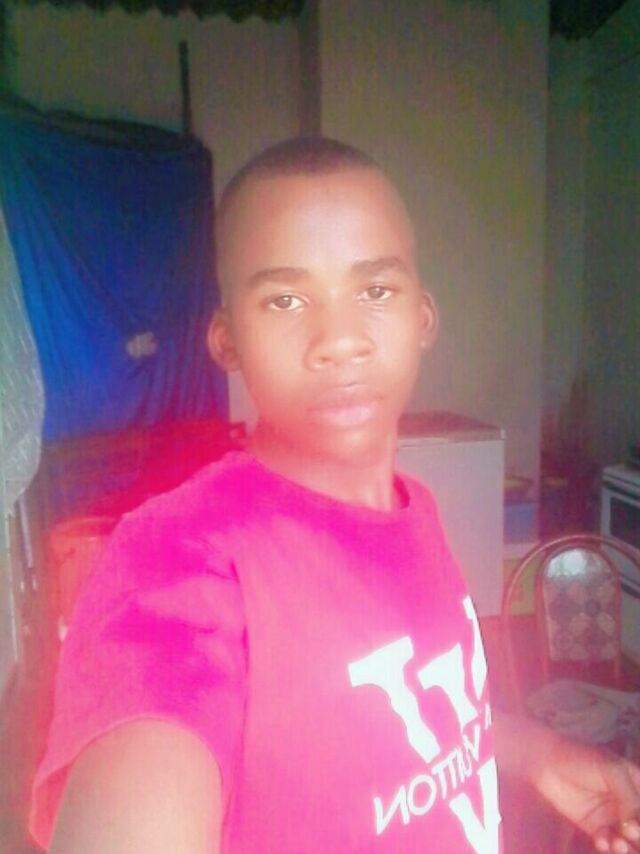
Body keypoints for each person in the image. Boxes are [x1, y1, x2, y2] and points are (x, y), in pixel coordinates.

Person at [31, 137, 640, 854]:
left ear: (422, 318)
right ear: (228, 342)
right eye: (285, 299)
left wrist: (538, 753)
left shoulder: (415, 507)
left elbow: (401, 719)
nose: (339, 340)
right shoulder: (178, 563)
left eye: (375, 290)